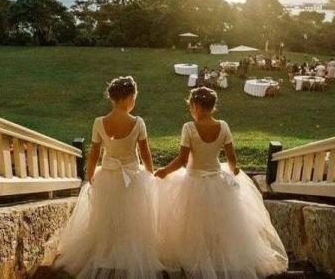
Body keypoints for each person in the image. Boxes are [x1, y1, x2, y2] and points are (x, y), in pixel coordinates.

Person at [154, 88, 288, 278]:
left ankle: (195, 257)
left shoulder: (189, 128)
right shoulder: (223, 126)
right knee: (218, 222)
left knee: (191, 223)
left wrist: (164, 171)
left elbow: (183, 160)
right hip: (217, 179)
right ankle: (215, 256)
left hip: (193, 181)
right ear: (213, 107)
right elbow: (231, 157)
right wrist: (233, 170)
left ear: (194, 106)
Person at [54, 76, 164, 279]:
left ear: (113, 98)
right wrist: (149, 172)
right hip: (132, 177)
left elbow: (94, 152)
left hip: (107, 175)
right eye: (134, 97)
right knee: (132, 217)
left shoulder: (99, 122)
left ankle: (107, 250)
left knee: (106, 217)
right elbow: (145, 152)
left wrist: (89, 175)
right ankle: (129, 250)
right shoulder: (138, 122)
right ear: (131, 97)